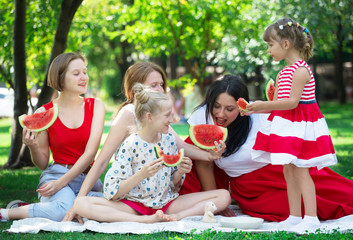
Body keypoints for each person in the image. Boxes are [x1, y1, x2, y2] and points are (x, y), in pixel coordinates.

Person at [179, 75, 353, 225]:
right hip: (252, 191)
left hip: (282, 172)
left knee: (347, 193)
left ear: (242, 106)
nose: (220, 114)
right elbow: (204, 165)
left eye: (229, 109)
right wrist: (218, 206)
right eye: (216, 106)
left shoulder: (258, 116)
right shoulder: (203, 117)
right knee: (320, 207)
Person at [63, 62, 224, 222]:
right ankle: (144, 220)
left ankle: (172, 217)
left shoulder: (162, 125)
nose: (160, 90)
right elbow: (102, 161)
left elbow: (181, 147)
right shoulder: (129, 113)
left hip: (164, 200)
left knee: (223, 196)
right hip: (133, 200)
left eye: (161, 84)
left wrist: (210, 156)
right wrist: (77, 202)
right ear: (136, 90)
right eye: (154, 85)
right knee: (81, 203)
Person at [246, 18, 338, 231]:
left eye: (270, 45)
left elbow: (292, 102)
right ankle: (295, 216)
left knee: (301, 170)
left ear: (286, 44)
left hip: (301, 125)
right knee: (288, 170)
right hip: (286, 125)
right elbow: (276, 103)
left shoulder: (301, 70)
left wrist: (261, 105)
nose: (268, 50)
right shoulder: (282, 72)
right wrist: (253, 108)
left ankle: (311, 217)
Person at [0, 52, 105, 222]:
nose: (84, 77)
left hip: (87, 178)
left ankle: (32, 207)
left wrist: (62, 182)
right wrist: (32, 146)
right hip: (56, 174)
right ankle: (5, 213)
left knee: (104, 209)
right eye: (76, 73)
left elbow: (91, 153)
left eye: (84, 72)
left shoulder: (96, 106)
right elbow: (42, 163)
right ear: (60, 78)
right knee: (62, 211)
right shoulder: (44, 112)